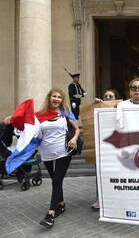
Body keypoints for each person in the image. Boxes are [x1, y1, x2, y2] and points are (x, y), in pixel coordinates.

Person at [38, 88, 80, 228]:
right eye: (54, 96)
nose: (56, 99)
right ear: (49, 98)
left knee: (56, 180)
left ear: (62, 100)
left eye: (59, 97)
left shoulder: (65, 113)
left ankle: (50, 214)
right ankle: (61, 204)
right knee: (55, 180)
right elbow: (33, 131)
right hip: (46, 152)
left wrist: (74, 138)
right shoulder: (40, 115)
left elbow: (77, 128)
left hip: (63, 151)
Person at [91, 88, 120, 210]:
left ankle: (116, 199)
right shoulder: (98, 110)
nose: (108, 98)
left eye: (110, 96)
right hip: (102, 148)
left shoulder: (120, 108)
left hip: (116, 148)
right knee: (100, 174)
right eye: (106, 96)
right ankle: (100, 199)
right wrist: (94, 106)